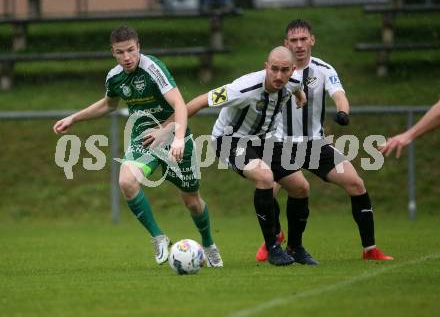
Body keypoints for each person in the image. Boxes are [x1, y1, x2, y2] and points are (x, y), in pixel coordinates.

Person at [53, 26, 223, 268]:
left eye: (131, 50)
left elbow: (179, 104)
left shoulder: (153, 68)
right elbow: (108, 105)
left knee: (192, 200)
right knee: (126, 181)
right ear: (112, 52)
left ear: (139, 47)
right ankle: (158, 236)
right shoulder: (114, 77)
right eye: (120, 52)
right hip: (144, 140)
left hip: (175, 137)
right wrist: (74, 118)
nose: (127, 57)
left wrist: (176, 137)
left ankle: (208, 244)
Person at [255, 19, 394, 264]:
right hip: (281, 145)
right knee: (267, 189)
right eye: (293, 41)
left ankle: (370, 249)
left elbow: (339, 95)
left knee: (356, 184)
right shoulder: (277, 72)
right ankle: (275, 239)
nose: (299, 45)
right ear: (285, 44)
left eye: (303, 39)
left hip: (315, 145)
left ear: (312, 40)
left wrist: (343, 112)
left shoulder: (323, 70)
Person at [164, 46, 307, 266]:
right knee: (265, 177)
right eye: (274, 69)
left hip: (265, 140)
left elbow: (296, 86)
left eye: (285, 70)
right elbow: (199, 101)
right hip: (230, 140)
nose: (279, 76)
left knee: (300, 187)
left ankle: (295, 249)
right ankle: (273, 248)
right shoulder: (243, 88)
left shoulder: (294, 80)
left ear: (292, 70)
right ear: (266, 67)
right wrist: (165, 129)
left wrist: (299, 95)